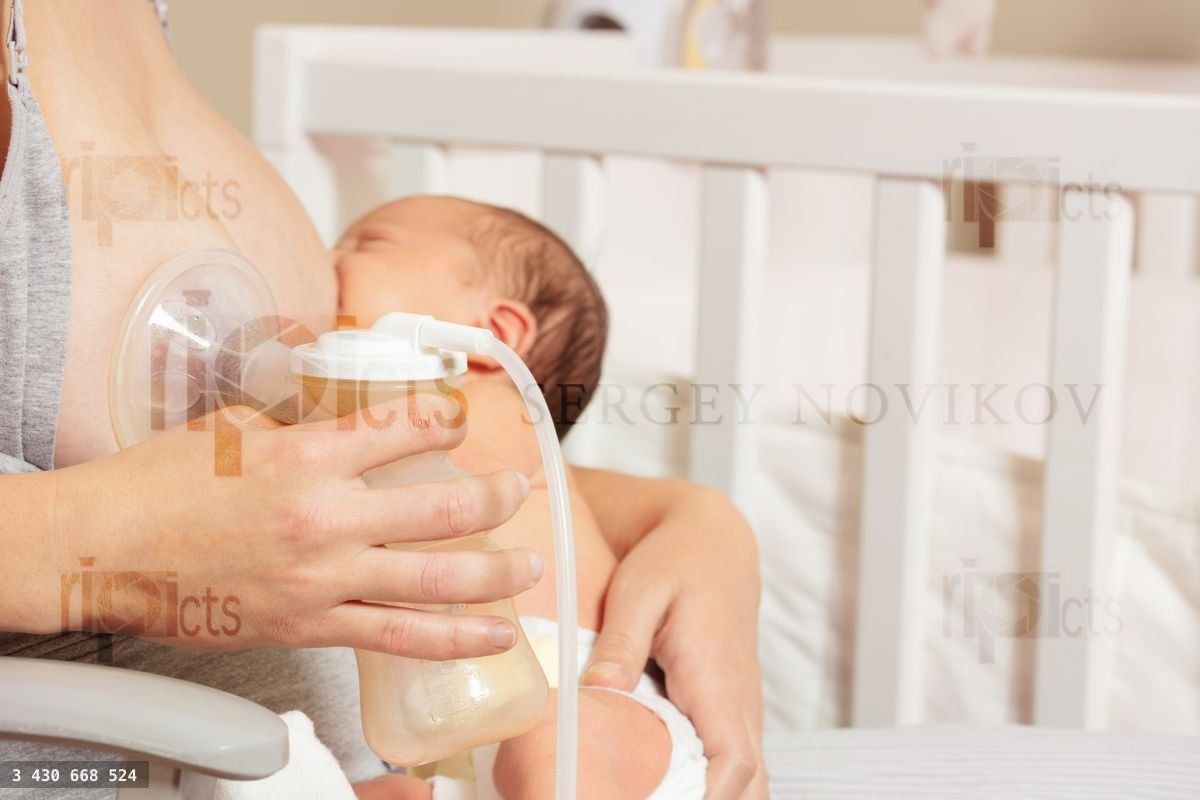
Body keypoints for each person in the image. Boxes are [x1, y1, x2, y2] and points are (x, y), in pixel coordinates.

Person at [0, 2, 765, 798]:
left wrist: (696, 521)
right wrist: (100, 536)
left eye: (367, 247)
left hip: (532, 703)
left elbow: (433, 481)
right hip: (245, 762)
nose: (333, 266)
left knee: (561, 742)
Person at [334, 196, 723, 798]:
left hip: (590, 706)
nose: (328, 259)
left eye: (368, 243)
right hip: (448, 747)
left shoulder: (498, 412)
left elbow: (358, 461)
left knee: (549, 737)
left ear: (496, 335)